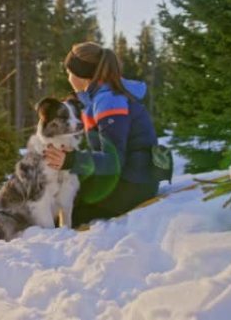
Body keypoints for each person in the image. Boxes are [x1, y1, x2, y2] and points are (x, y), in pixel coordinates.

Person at [44, 41, 159, 227]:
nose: (68, 78)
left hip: (134, 183)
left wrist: (71, 161)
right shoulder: (97, 98)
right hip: (129, 177)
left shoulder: (109, 101)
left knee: (65, 213)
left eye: (69, 73)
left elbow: (113, 161)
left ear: (81, 75)